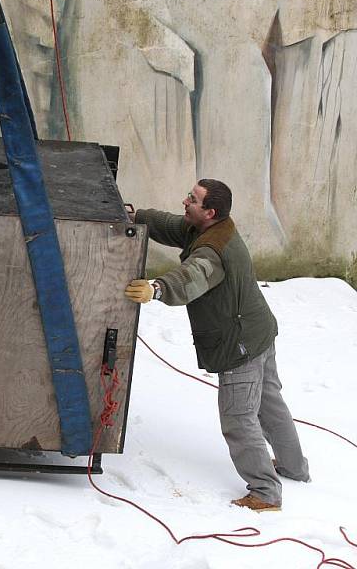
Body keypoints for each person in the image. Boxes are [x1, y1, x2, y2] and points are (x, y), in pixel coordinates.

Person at [124, 178, 309, 512]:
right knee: (269, 403)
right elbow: (172, 225)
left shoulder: (213, 251)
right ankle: (295, 467)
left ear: (209, 211)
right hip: (259, 331)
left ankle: (266, 493)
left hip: (240, 345)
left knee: (239, 419)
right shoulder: (211, 227)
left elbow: (192, 276)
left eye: (192, 199)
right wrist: (137, 216)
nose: (185, 201)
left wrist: (157, 287)